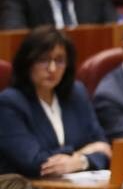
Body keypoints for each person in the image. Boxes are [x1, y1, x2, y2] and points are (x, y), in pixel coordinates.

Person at [0, 27, 111, 178]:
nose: (52, 68)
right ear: (27, 63)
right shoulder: (9, 103)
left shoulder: (76, 94)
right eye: (43, 60)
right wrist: (81, 154)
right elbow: (36, 163)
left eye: (59, 60)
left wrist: (81, 162)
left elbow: (104, 149)